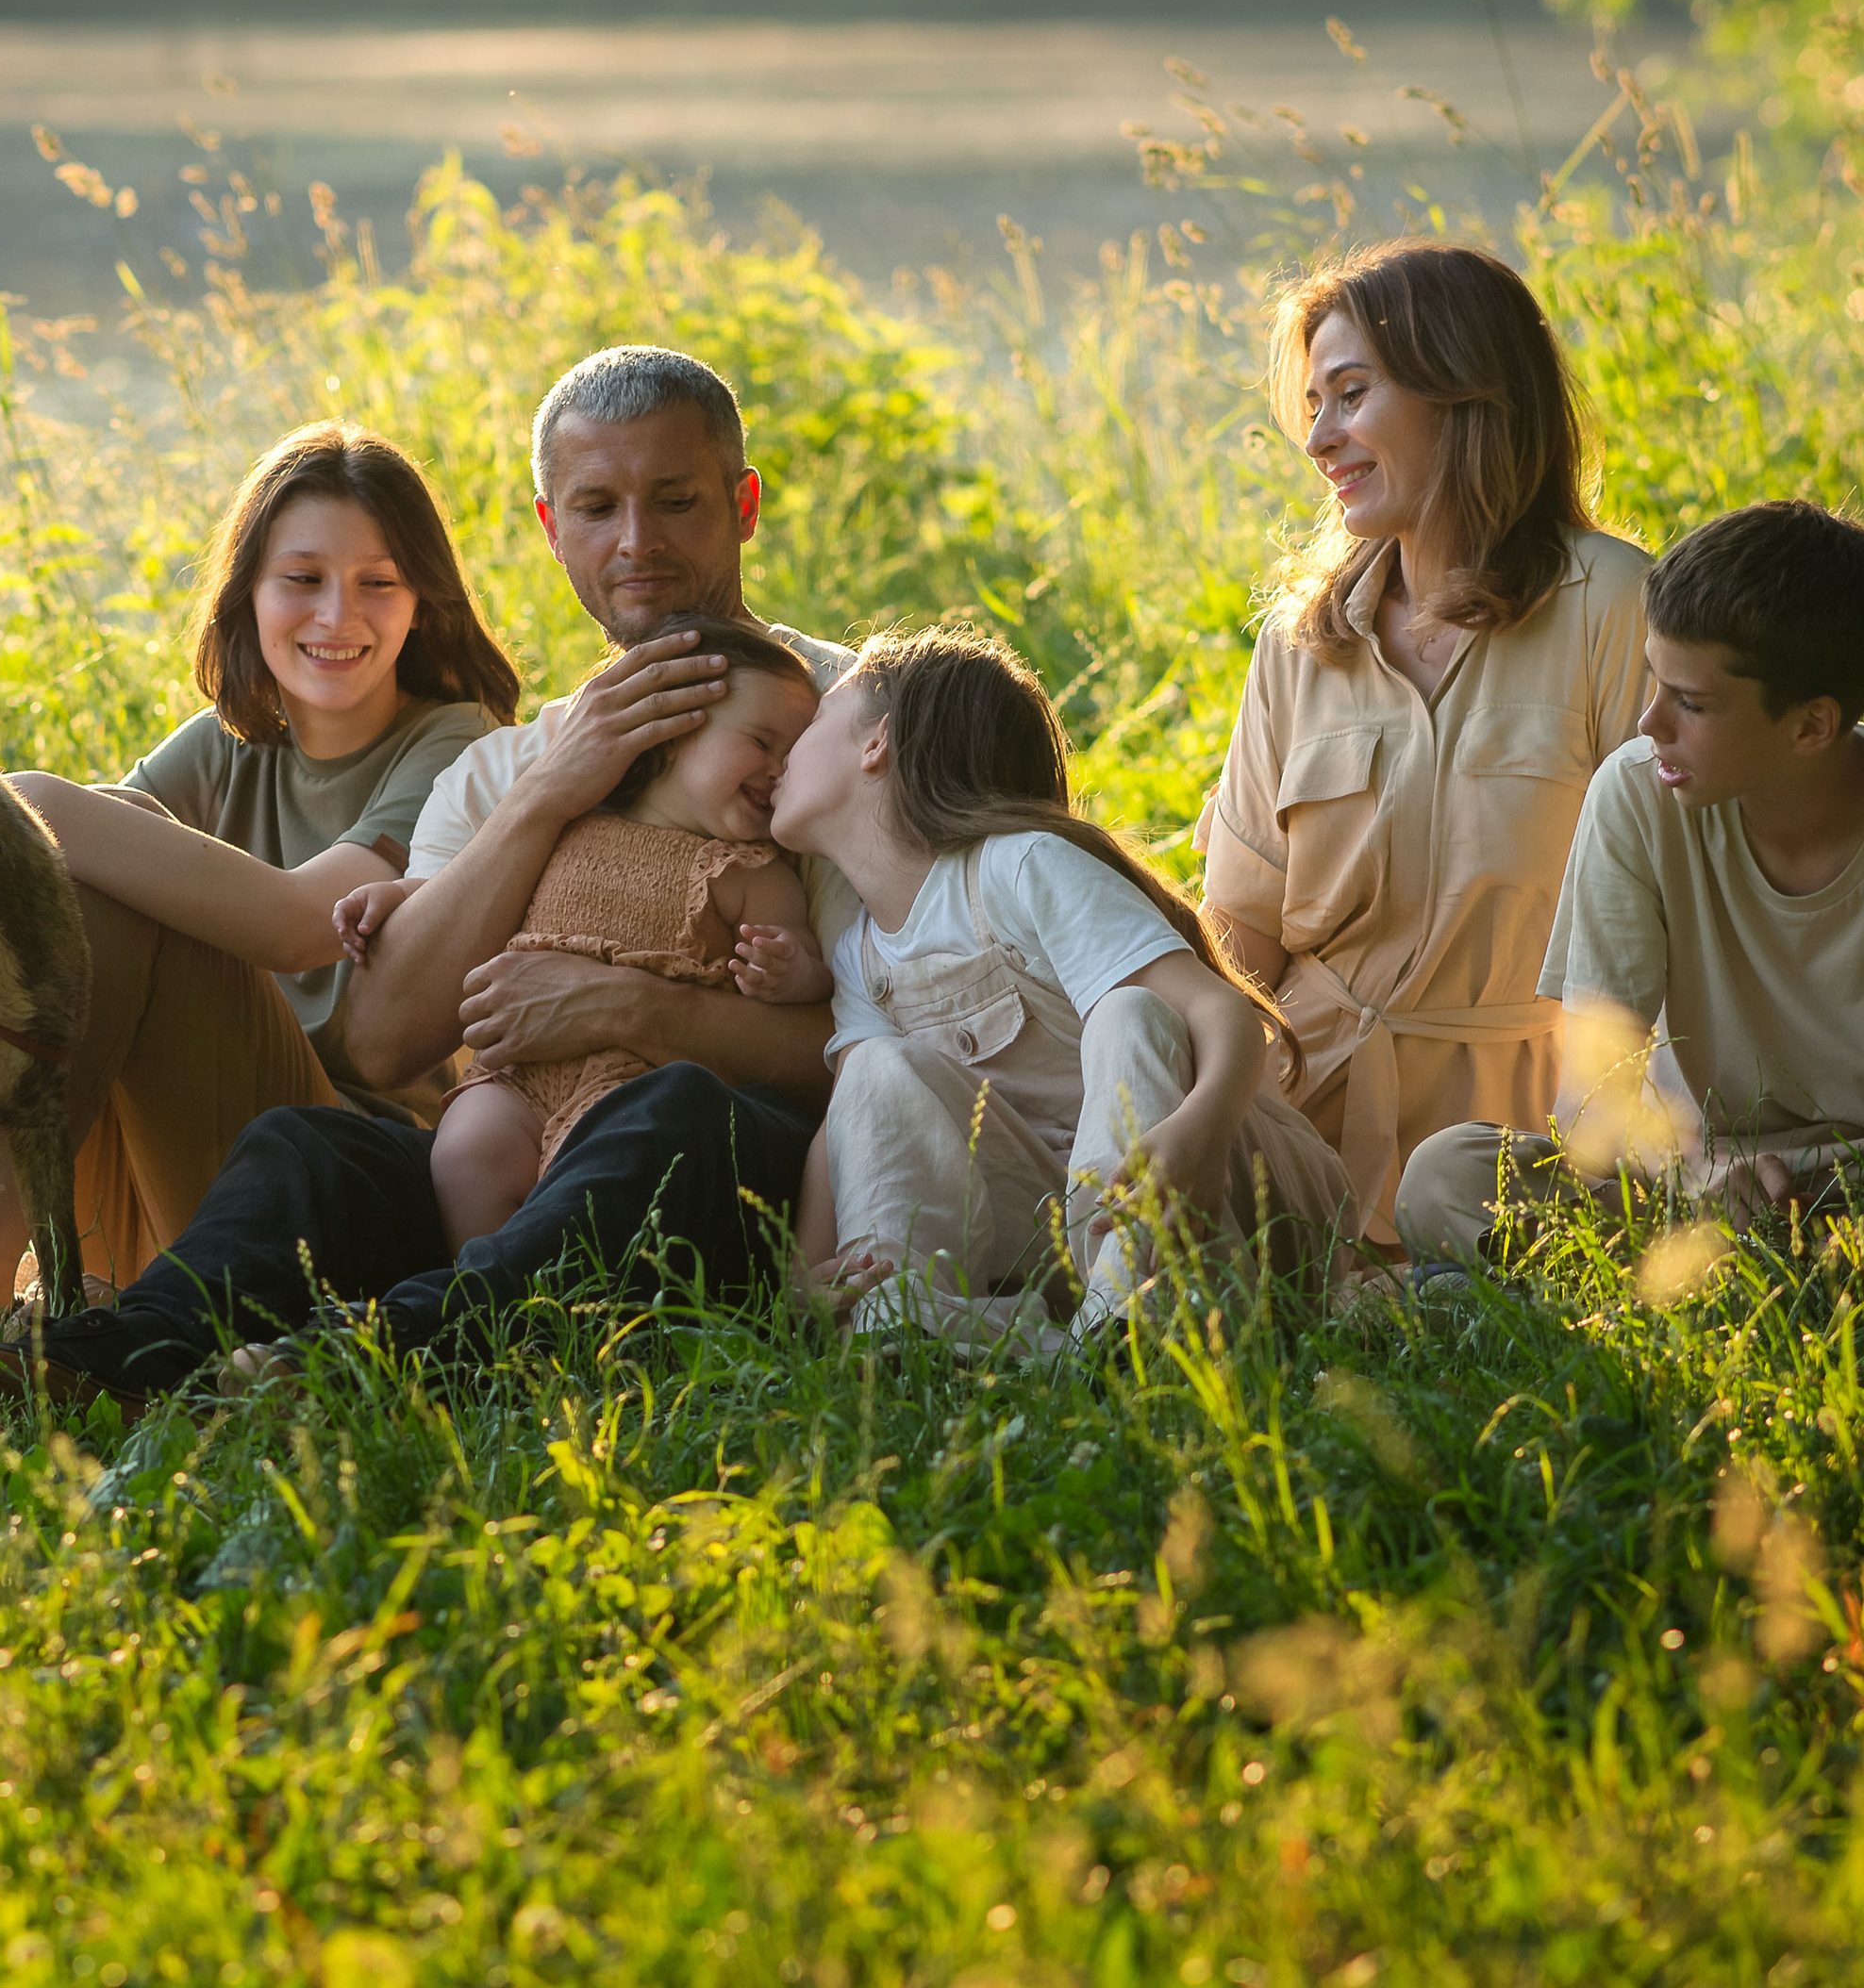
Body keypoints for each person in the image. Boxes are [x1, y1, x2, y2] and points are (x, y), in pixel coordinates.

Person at [0, 345, 853, 1430]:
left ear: (741, 505)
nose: (635, 542)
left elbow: (905, 1042)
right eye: (597, 506)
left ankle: (381, 1351)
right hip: (515, 1175)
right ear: (552, 528)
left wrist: (642, 1010)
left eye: (675, 501)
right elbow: (387, 1041)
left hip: (736, 1176)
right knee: (314, 1146)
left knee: (671, 1108)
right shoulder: (505, 765)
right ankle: (108, 1356)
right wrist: (546, 799)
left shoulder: (841, 723)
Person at [0, 421, 516, 1336]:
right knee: (18, 917)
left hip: (324, 1191)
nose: (337, 614)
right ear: (246, 592)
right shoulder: (224, 746)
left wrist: (34, 800)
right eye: (301, 580)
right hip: (157, 1186)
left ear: (425, 604)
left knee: (76, 899)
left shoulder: (456, 744)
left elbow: (302, 923)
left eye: (377, 582)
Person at [1195, 239, 1650, 1270]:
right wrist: (1206, 1108)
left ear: (1463, 390)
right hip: (1302, 1103)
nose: (1318, 437)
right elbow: (1240, 935)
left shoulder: (1612, 604)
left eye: (1349, 395)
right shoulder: (1301, 642)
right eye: (1312, 403)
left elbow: (1672, 910)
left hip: (1515, 1129)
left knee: (1469, 1270)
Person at [770, 624, 1354, 1348]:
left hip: (1229, 1190)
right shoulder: (858, 950)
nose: (784, 752)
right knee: (874, 1068)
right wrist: (801, 1274)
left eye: (817, 716)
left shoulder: (1019, 867)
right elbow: (846, 1121)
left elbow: (1219, 1011)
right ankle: (910, 1319)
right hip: (1065, 1219)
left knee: (1132, 1012)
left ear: (874, 743)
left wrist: (1199, 1133)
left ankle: (1138, 1322)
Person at [1398, 501, 1864, 1258]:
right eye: (1656, 683)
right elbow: (1594, 1095)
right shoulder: (1638, 795)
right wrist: (1701, 1170)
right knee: (1446, 1176)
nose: (1651, 723)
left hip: (1846, 1186)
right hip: (1698, 1178)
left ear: (1811, 725)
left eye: (1692, 702)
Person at [338, 620, 828, 1249]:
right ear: (675, 731)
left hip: (635, 1086)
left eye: (795, 760)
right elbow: (465, 894)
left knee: (600, 1170)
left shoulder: (749, 872)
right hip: (520, 1074)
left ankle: (512, 1301)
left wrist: (795, 970)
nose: (779, 773)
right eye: (763, 743)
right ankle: (481, 1288)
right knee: (464, 1152)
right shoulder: (572, 820)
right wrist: (391, 898)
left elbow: (814, 981)